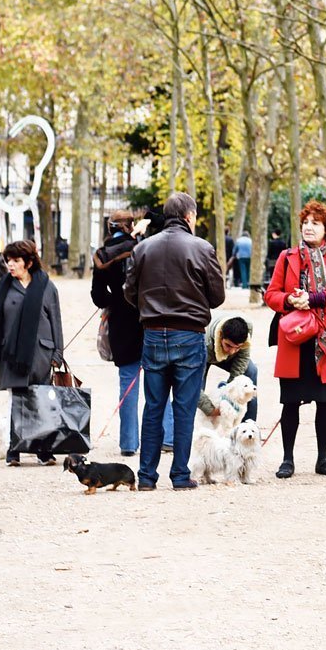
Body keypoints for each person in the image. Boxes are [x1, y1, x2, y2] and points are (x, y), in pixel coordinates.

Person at [123, 192, 226, 490]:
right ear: (189, 216)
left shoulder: (143, 248)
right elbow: (217, 295)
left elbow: (129, 291)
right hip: (189, 332)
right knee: (184, 407)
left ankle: (146, 476)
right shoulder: (201, 248)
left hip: (154, 332)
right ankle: (180, 474)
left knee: (153, 406)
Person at [265, 201, 326, 479]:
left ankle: (323, 459)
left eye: (315, 223)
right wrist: (290, 300)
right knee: (289, 401)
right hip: (294, 337)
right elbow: (271, 295)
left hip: (325, 341)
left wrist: (315, 298)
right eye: (305, 221)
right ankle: (287, 459)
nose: (308, 226)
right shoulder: (287, 256)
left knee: (324, 401)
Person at [0, 239, 66, 466]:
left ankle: (43, 450)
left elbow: (56, 321)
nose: (10, 265)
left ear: (29, 262)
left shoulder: (47, 286)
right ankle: (13, 449)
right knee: (16, 402)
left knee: (39, 402)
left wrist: (57, 353)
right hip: (12, 354)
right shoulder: (4, 287)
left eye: (16, 261)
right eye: (8, 261)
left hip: (41, 354)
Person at [92, 210, 172, 457]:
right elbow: (168, 223)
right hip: (149, 318)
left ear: (109, 228)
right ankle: (167, 437)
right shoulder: (143, 247)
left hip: (121, 324)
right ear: (131, 226)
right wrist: (148, 216)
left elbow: (97, 296)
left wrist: (114, 301)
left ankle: (128, 443)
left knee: (128, 384)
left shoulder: (102, 255)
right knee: (158, 381)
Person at [198, 311, 258, 423]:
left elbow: (242, 358)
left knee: (251, 371)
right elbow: (193, 384)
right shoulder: (202, 340)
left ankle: (248, 426)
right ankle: (191, 428)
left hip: (223, 355)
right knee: (194, 392)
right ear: (220, 335)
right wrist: (210, 409)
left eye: (237, 347)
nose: (232, 351)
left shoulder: (247, 327)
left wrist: (232, 390)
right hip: (204, 353)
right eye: (229, 345)